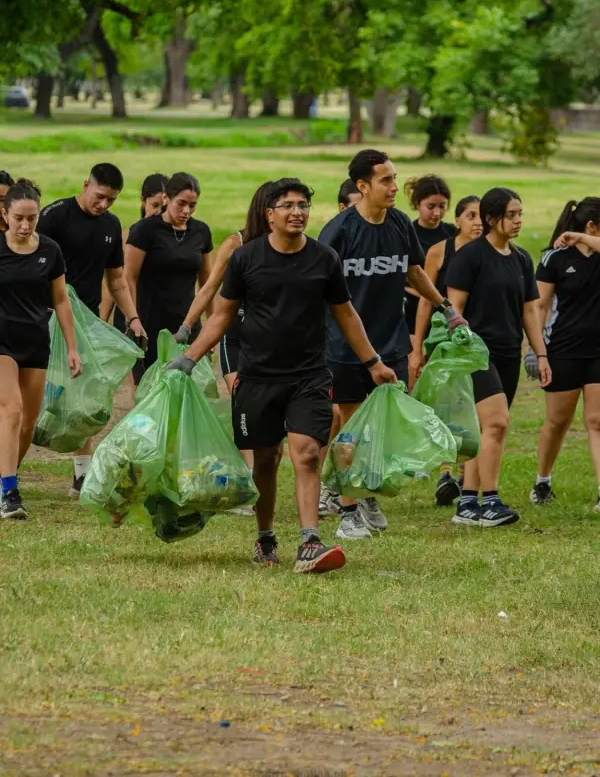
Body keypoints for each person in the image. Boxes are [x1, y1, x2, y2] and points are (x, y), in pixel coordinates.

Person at [167, 177, 397, 574]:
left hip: (309, 374)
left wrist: (373, 362)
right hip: (257, 377)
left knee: (306, 453)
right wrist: (188, 358)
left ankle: (309, 540)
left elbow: (346, 314)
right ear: (269, 214)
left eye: (303, 204)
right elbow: (221, 316)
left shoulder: (324, 258)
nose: (297, 212)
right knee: (265, 461)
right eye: (288, 205)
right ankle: (266, 535)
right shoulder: (246, 258)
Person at [318, 150, 468, 541]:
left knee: (381, 428)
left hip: (392, 344)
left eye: (394, 178)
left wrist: (445, 308)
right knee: (350, 428)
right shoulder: (338, 231)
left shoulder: (400, 223)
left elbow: (414, 272)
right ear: (362, 186)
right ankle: (347, 511)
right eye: (385, 180)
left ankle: (367, 492)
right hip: (346, 348)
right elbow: (319, 291)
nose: (393, 187)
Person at [38, 162, 146, 498]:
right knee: (32, 397)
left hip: (82, 323)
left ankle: (81, 476)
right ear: (86, 184)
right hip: (41, 316)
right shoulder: (54, 216)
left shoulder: (111, 225)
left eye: (111, 200)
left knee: (83, 398)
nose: (104, 205)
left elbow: (115, 279)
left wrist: (133, 317)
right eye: (100, 196)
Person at [445, 187, 551, 527]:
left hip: (508, 352)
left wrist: (540, 352)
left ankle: (466, 504)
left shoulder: (521, 258)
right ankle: (489, 501)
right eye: (512, 214)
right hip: (475, 353)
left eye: (521, 213)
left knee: (483, 429)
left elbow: (530, 311)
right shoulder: (470, 256)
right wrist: (460, 350)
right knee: (496, 423)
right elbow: (453, 310)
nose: (519, 220)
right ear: (492, 219)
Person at [174, 181, 277, 516]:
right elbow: (208, 289)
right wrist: (187, 328)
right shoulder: (237, 244)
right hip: (237, 337)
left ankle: (258, 479)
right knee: (244, 405)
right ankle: (244, 483)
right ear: (266, 210)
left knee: (271, 420)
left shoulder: (291, 245)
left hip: (273, 341)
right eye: (282, 206)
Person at [0, 179, 82, 519]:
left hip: (35, 341)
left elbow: (61, 301)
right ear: (4, 214)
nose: (25, 225)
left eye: (31, 218)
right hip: (1, 341)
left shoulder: (50, 250)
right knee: (12, 410)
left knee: (29, 423)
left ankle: (6, 476)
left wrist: (73, 348)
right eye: (18, 217)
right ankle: (9, 493)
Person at [411, 195, 482, 506]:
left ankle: (468, 475)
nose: (478, 222)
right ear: (458, 221)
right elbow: (426, 300)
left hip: (480, 342)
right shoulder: (440, 251)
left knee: (477, 408)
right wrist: (417, 346)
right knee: (450, 407)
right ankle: (445, 472)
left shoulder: (489, 254)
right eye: (471, 215)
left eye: (482, 216)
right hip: (445, 341)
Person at [531, 198, 600, 509]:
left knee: (597, 421)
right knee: (558, 421)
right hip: (562, 350)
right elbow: (539, 306)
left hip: (598, 352)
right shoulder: (554, 258)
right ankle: (542, 480)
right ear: (592, 224)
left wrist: (584, 239)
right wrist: (537, 352)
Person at [125, 172, 213, 382]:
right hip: (150, 324)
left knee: (187, 390)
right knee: (149, 391)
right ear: (166, 199)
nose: (186, 211)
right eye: (181, 203)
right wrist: (133, 319)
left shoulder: (201, 232)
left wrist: (210, 328)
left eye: (192, 205)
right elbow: (128, 277)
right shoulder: (144, 230)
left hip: (187, 323)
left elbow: (208, 285)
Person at [319, 177, 363, 519]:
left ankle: (344, 489)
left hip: (367, 342)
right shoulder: (334, 236)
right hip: (334, 344)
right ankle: (327, 488)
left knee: (351, 421)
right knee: (335, 417)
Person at [100, 173, 169, 331]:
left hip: (163, 317)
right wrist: (102, 323)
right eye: (154, 205)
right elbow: (114, 281)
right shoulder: (128, 237)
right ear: (143, 201)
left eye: (164, 207)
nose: (158, 212)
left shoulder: (176, 239)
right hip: (131, 317)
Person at [403, 174, 456, 338]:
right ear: (418, 204)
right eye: (431, 206)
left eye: (442, 206)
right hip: (412, 310)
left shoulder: (453, 234)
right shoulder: (406, 233)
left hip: (446, 311)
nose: (437, 213)